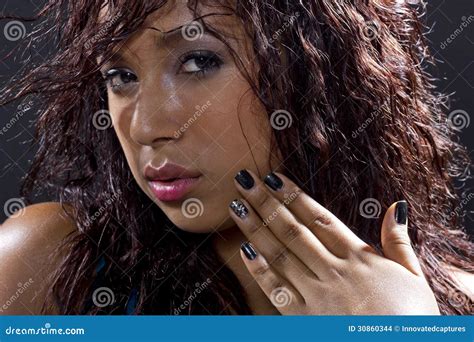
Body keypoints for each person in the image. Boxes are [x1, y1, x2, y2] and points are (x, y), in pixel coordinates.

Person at [0, 0, 472, 315]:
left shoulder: (455, 304)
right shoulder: (48, 266)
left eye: (199, 62)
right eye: (120, 75)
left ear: (322, 72)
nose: (145, 128)